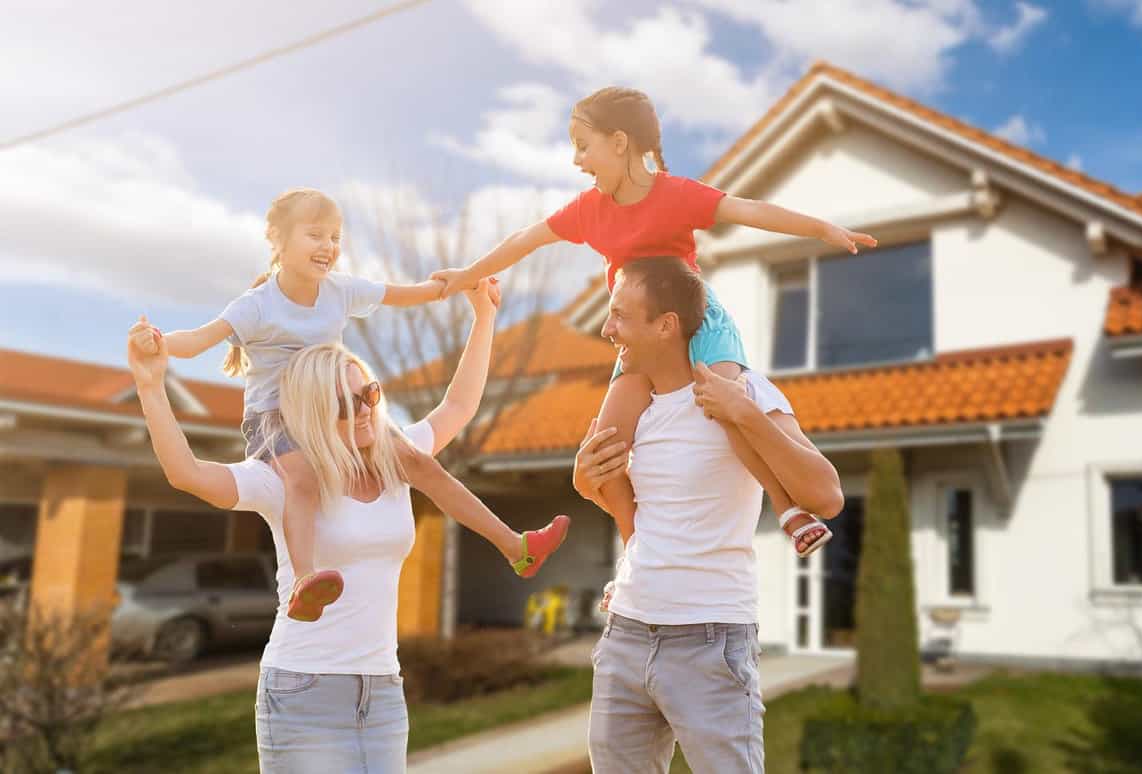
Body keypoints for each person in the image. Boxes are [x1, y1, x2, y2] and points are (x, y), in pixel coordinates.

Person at [129, 278, 567, 772]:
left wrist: (484, 317)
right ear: (314, 411)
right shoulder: (285, 479)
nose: (363, 411)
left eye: (369, 395)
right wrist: (151, 386)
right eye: (343, 404)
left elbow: (459, 407)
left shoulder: (397, 464)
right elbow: (187, 475)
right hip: (304, 687)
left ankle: (517, 547)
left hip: (381, 689)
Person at [432, 86, 872, 558]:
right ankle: (634, 555)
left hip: (700, 323)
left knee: (726, 409)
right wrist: (467, 276)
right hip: (640, 340)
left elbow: (750, 210)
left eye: (584, 145)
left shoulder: (676, 195)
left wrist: (822, 228)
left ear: (619, 142)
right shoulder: (589, 210)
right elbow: (527, 238)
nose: (577, 160)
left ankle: (787, 510)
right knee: (607, 446)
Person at [140, 188, 566, 621]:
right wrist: (158, 343)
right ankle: (305, 581)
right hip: (277, 419)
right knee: (302, 480)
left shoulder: (339, 291)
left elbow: (409, 296)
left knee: (422, 463)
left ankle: (515, 545)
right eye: (315, 235)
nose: (328, 247)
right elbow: (197, 340)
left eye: (335, 237)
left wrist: (460, 283)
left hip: (327, 410)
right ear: (277, 238)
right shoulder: (256, 306)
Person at [572, 257, 844, 773]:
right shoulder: (641, 409)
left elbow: (826, 495)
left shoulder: (748, 391)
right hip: (627, 633)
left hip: (711, 639)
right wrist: (584, 478)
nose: (608, 330)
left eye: (621, 316)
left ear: (666, 325)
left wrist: (742, 411)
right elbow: (611, 495)